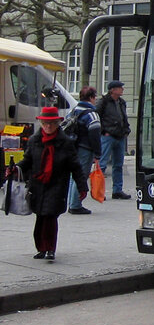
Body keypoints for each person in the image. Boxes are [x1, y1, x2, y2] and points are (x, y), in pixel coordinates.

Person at [16, 107, 88, 262]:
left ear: (57, 124)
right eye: (45, 124)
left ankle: (49, 248)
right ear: (41, 123)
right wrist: (16, 169)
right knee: (40, 217)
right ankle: (41, 248)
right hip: (38, 184)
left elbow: (75, 166)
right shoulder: (35, 140)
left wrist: (82, 186)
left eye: (51, 124)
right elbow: (27, 161)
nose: (48, 127)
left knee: (50, 216)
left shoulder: (65, 142)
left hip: (57, 184)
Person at [67, 86, 102, 214]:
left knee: (73, 175)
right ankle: (75, 205)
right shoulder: (91, 114)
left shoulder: (74, 110)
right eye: (95, 97)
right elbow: (95, 133)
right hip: (85, 148)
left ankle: (71, 201)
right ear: (91, 98)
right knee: (81, 175)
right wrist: (97, 153)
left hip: (73, 146)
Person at [97, 80, 132, 199]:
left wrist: (126, 130)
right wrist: (103, 131)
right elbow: (97, 117)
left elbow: (123, 117)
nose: (122, 89)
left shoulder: (121, 102)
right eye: (120, 88)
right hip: (108, 136)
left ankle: (117, 190)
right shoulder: (104, 102)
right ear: (113, 90)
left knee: (118, 164)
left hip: (120, 135)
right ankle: (99, 190)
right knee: (102, 164)